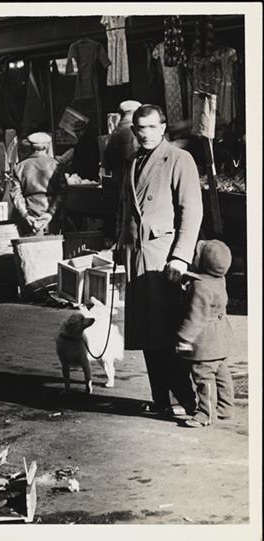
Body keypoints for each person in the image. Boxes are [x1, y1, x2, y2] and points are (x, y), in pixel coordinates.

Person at [118, 104, 203, 418]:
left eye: (152, 127)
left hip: (163, 258)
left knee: (167, 332)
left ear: (163, 128)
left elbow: (191, 211)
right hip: (136, 256)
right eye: (140, 128)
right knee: (147, 333)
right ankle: (161, 400)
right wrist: (118, 243)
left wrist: (180, 256)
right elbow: (125, 208)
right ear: (134, 130)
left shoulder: (179, 159)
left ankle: (187, 400)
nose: (146, 134)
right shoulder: (132, 160)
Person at [176, 240, 235, 428]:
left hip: (205, 342)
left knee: (204, 377)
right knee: (222, 374)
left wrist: (184, 338)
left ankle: (206, 413)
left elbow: (195, 316)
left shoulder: (200, 287)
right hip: (222, 337)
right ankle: (225, 408)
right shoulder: (219, 279)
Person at [10, 132, 68, 236]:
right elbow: (62, 192)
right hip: (52, 215)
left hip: (29, 214)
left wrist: (26, 215)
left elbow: (16, 194)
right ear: (47, 147)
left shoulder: (19, 167)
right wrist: (50, 213)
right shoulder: (56, 165)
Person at [104, 100, 142, 238]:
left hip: (117, 183)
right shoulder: (132, 133)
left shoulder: (115, 133)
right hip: (131, 184)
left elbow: (107, 163)